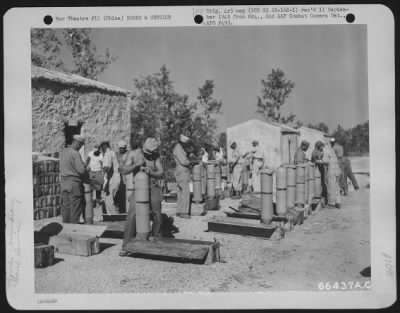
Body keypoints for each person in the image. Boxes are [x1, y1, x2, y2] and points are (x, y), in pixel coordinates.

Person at [119, 137, 164, 256]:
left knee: (157, 213)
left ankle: (156, 241)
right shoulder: (134, 154)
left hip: (153, 186)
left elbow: (161, 172)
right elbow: (123, 170)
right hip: (138, 187)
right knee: (132, 213)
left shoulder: (155, 155)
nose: (150, 155)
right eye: (148, 153)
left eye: (152, 153)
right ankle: (126, 244)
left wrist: (151, 172)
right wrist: (136, 165)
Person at [60, 135, 89, 223]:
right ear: (78, 143)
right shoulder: (75, 153)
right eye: (81, 145)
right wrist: (86, 171)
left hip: (64, 183)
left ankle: (65, 229)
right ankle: (73, 230)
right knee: (75, 209)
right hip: (74, 184)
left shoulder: (64, 152)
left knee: (66, 207)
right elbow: (81, 170)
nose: (81, 147)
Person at [173, 134, 196, 218]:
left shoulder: (179, 148)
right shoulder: (178, 149)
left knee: (180, 192)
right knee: (185, 192)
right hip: (182, 171)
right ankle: (184, 212)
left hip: (180, 171)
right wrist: (193, 161)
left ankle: (179, 211)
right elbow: (184, 161)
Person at [100, 141, 121, 215]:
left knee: (109, 200)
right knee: (109, 200)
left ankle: (113, 216)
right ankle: (112, 216)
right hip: (115, 179)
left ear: (103, 147)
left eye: (101, 148)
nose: (101, 150)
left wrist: (101, 178)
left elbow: (107, 168)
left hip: (111, 180)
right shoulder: (112, 153)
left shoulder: (108, 154)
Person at [320, 140, 341, 209]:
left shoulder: (326, 150)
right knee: (336, 187)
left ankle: (331, 204)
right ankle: (338, 203)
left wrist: (319, 161)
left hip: (331, 170)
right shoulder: (332, 150)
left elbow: (325, 161)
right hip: (337, 170)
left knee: (331, 187)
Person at [311, 140, 328, 207]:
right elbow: (314, 161)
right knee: (321, 183)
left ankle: (324, 197)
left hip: (321, 169)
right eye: (321, 147)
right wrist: (319, 161)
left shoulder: (321, 152)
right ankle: (322, 198)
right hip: (317, 169)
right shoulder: (314, 152)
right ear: (318, 146)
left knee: (323, 182)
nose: (322, 148)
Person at [116, 140, 129, 212]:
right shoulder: (116, 154)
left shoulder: (129, 154)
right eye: (120, 148)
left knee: (125, 192)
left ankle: (125, 208)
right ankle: (120, 208)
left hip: (126, 175)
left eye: (123, 148)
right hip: (118, 175)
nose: (121, 150)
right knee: (119, 193)